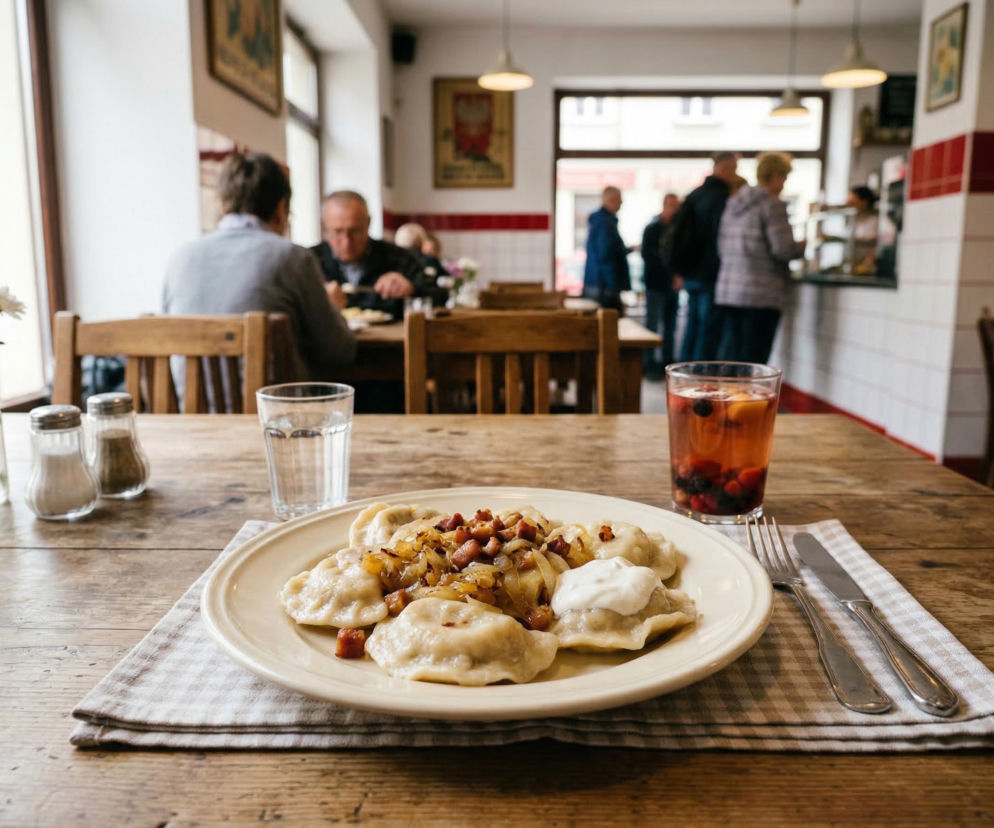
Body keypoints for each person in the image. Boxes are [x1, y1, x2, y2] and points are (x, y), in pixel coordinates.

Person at [163, 152, 356, 382]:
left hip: (188, 405)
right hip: (270, 405)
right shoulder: (293, 258)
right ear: (281, 208)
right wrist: (332, 307)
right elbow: (339, 353)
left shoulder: (179, 259)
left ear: (222, 207)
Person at [714, 151, 805, 364]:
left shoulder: (734, 203)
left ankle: (728, 389)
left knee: (732, 360)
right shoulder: (773, 205)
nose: (784, 184)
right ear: (775, 175)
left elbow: (721, 246)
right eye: (784, 178)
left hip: (730, 291)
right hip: (760, 293)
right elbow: (783, 249)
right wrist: (801, 246)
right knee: (754, 363)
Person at [310, 191, 428, 318]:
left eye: (355, 231)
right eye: (338, 231)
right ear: (324, 227)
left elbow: (437, 294)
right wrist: (315, 302)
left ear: (368, 223)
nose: (346, 241)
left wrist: (412, 289)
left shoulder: (399, 258)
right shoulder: (308, 262)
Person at [671, 152, 739, 362]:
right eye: (734, 169)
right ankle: (702, 378)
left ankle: (683, 374)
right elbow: (721, 237)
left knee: (692, 328)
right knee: (707, 332)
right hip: (710, 273)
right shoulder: (721, 197)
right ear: (725, 169)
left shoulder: (695, 194)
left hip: (691, 272)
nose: (735, 175)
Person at [640, 192, 682, 378]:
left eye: (676, 206)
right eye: (671, 205)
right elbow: (650, 257)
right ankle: (649, 365)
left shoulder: (678, 229)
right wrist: (672, 275)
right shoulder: (652, 229)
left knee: (670, 327)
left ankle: (668, 365)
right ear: (664, 205)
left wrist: (678, 277)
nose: (674, 210)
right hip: (656, 285)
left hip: (672, 286)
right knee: (652, 326)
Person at [582, 185, 631, 313]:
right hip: (604, 285)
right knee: (610, 321)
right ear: (611, 200)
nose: (621, 203)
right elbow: (606, 255)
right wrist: (612, 288)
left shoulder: (599, 221)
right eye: (619, 200)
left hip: (596, 282)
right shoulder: (604, 223)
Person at [847, 185, 879, 274]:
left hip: (870, 270)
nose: (849, 205)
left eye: (853, 202)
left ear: (864, 202)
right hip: (854, 267)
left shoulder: (875, 221)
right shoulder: (854, 220)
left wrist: (870, 259)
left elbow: (880, 246)